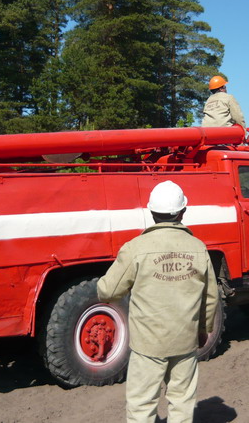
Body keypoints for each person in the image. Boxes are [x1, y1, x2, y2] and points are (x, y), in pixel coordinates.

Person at [97, 181, 219, 423]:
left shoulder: (136, 248)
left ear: (152, 212)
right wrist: (203, 331)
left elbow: (107, 291)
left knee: (142, 405)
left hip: (148, 345)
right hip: (185, 340)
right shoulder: (198, 248)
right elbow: (211, 297)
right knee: (182, 402)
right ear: (182, 211)